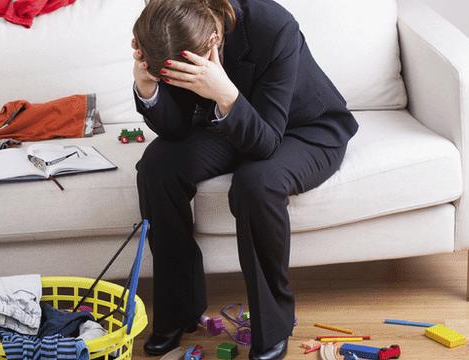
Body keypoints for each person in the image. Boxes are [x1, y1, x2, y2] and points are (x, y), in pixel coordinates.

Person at [131, 0, 359, 358]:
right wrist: (147, 87)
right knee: (157, 166)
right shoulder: (171, 22)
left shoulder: (274, 26)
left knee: (256, 183)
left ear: (213, 37)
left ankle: (273, 326)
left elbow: (267, 140)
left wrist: (223, 91)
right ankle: (178, 311)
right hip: (233, 125)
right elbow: (174, 130)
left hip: (305, 128)